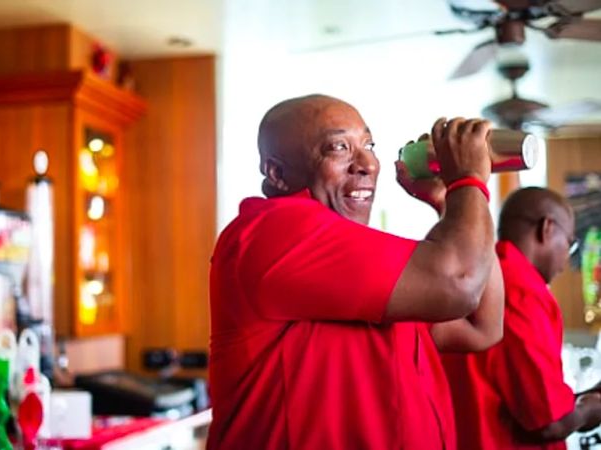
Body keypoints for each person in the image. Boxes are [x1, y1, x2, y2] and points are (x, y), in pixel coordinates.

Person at [207, 94, 504, 449]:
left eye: (369, 144)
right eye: (338, 147)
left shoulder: (362, 263)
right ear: (277, 174)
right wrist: (468, 182)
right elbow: (461, 281)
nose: (367, 163)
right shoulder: (273, 231)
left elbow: (482, 326)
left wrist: (446, 202)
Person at [441, 186, 601, 450]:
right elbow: (548, 421)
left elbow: (528, 398)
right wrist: (589, 410)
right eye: (569, 243)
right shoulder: (519, 292)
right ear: (547, 228)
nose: (564, 260)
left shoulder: (484, 276)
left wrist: (586, 396)